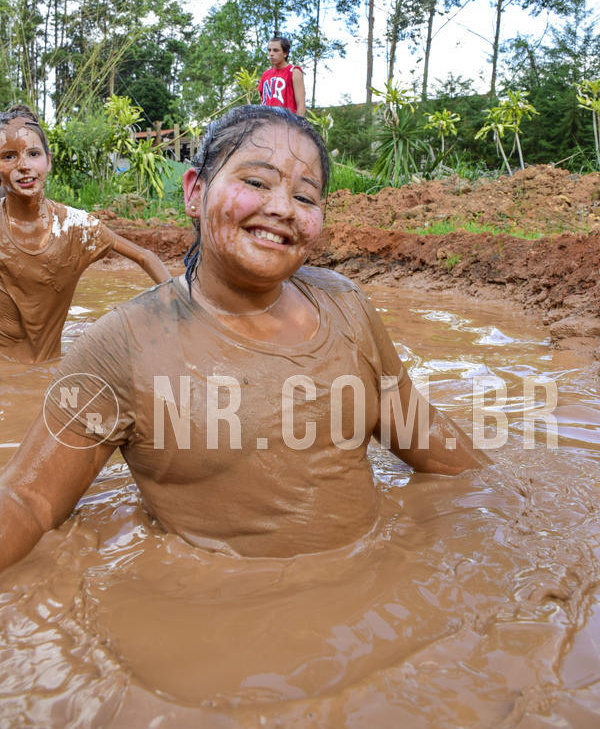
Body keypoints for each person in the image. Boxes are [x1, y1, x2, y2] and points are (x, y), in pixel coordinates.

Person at [0, 105, 488, 571]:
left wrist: (499, 521)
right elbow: (28, 501)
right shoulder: (123, 343)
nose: (282, 209)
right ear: (194, 192)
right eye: (256, 182)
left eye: (305, 196)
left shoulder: (347, 307)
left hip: (375, 605)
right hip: (226, 625)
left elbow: (445, 455)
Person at [0, 104, 171, 363]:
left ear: (48, 160)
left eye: (33, 153)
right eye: (9, 156)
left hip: (49, 369)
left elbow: (145, 256)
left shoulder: (74, 226)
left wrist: (182, 317)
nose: (23, 165)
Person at [258, 36, 306, 116]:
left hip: (287, 124)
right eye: (269, 50)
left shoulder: (294, 72)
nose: (271, 54)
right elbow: (262, 101)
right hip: (268, 123)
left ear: (285, 53)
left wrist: (298, 127)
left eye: (276, 50)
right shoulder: (266, 74)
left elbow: (301, 106)